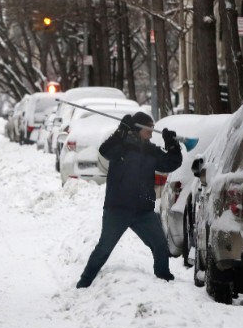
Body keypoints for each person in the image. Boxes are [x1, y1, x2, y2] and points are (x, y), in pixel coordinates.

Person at [76, 111, 182, 288]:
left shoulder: (151, 150)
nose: (151, 130)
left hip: (143, 211)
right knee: (104, 248)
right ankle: (84, 283)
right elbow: (105, 151)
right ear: (138, 128)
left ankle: (164, 282)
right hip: (118, 209)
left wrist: (172, 145)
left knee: (160, 244)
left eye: (153, 127)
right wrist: (120, 131)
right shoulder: (122, 146)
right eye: (149, 127)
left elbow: (170, 164)